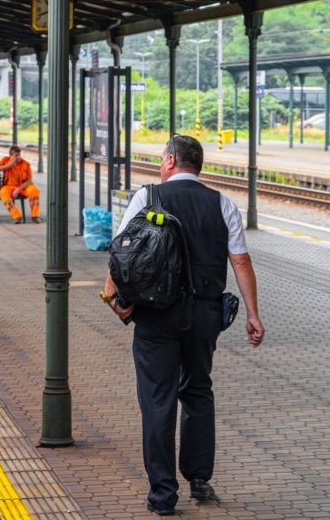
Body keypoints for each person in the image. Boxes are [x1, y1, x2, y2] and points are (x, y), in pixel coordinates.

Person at [102, 135, 265, 516]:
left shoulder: (148, 197)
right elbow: (240, 262)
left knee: (157, 401)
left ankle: (162, 495)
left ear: (171, 161)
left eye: (162, 160)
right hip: (204, 316)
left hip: (156, 315)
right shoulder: (221, 203)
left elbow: (120, 249)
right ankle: (199, 478)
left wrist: (114, 299)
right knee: (198, 390)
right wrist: (254, 315)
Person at [0, 145, 41, 224]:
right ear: (10, 156)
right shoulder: (5, 160)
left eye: (19, 155)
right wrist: (9, 166)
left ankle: (35, 216)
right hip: (9, 187)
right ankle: (17, 216)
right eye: (16, 155)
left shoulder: (26, 164)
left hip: (23, 187)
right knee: (3, 192)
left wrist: (18, 189)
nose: (19, 157)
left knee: (34, 191)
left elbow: (29, 181)